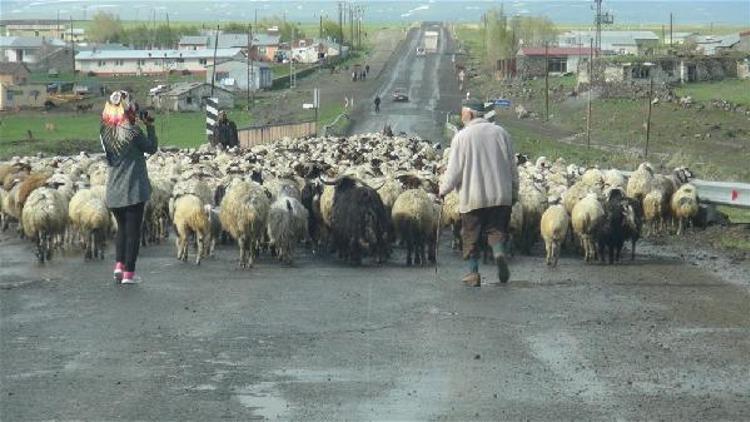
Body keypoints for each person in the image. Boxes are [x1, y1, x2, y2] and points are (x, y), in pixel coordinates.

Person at [439, 99, 518, 287]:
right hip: (500, 195)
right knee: (496, 230)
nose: (461, 116)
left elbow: (454, 171)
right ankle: (498, 252)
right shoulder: (502, 133)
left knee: (470, 234)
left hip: (473, 196)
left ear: (471, 114)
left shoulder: (462, 137)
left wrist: (443, 190)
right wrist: (514, 191)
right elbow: (512, 167)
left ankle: (473, 274)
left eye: (463, 113)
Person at [100, 90, 158, 284]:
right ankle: (129, 274)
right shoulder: (132, 131)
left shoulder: (105, 132)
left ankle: (119, 266)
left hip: (113, 190)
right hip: (132, 190)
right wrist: (149, 126)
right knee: (133, 232)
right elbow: (151, 147)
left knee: (122, 230)